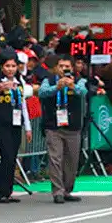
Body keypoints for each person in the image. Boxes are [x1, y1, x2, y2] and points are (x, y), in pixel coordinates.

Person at [0, 50, 32, 203]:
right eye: (7, 66)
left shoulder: (19, 82)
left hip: (16, 124)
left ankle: (8, 191)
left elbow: (23, 105)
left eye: (13, 66)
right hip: (0, 124)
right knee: (7, 154)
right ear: (1, 67)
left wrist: (28, 127)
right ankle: (1, 192)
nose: (10, 69)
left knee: (12, 157)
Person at [38, 55, 89, 204]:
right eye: (61, 66)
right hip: (53, 126)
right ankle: (57, 191)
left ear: (72, 68)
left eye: (67, 67)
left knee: (71, 161)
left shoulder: (79, 80)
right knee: (55, 159)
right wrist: (57, 87)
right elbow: (42, 92)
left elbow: (84, 92)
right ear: (56, 68)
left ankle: (67, 189)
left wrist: (72, 86)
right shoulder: (50, 80)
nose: (64, 69)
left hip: (73, 126)